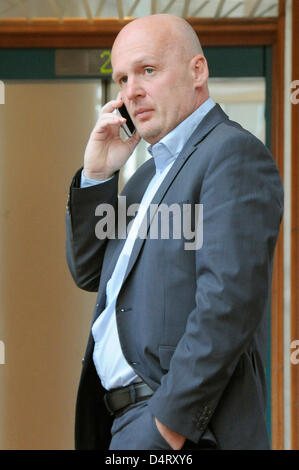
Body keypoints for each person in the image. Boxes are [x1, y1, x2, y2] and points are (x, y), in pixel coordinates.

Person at [65, 14, 283, 450]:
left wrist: (169, 427)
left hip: (180, 430)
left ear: (197, 71)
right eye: (123, 78)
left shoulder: (232, 153)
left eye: (148, 70)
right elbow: (89, 271)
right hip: (122, 424)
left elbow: (228, 301)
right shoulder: (145, 178)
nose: (132, 91)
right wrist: (97, 174)